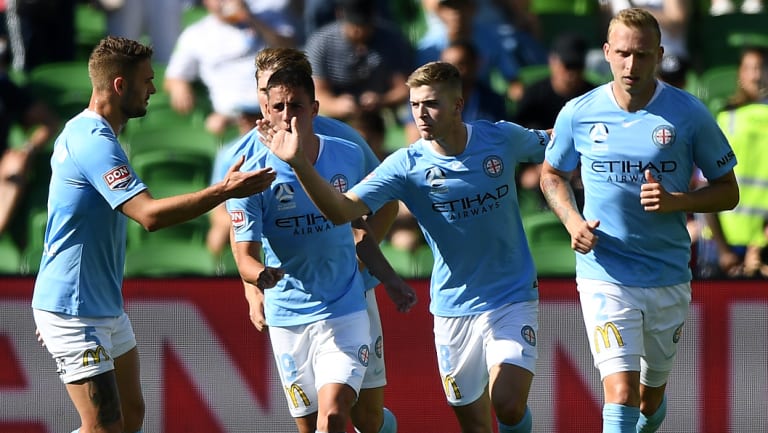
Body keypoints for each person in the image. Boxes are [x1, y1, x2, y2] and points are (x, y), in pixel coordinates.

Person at [263, 60, 550, 433]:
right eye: (414, 105)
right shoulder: (405, 165)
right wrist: (300, 164)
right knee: (476, 425)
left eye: (430, 104)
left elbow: (559, 140)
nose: (421, 114)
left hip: (511, 293)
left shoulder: (501, 138)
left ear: (457, 105)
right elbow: (340, 211)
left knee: (508, 405)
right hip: (453, 306)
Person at [30, 36, 276, 433]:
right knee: (104, 426)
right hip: (74, 308)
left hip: (99, 304)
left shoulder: (93, 134)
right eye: (147, 80)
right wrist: (223, 191)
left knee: (131, 416)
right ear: (119, 85)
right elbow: (148, 216)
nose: (155, 89)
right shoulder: (92, 142)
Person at [539, 8, 739, 433]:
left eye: (643, 55)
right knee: (622, 394)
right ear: (607, 53)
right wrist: (573, 222)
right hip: (605, 273)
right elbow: (551, 174)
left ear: (660, 55)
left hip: (666, 273)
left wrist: (677, 202)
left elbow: (729, 190)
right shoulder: (578, 112)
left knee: (649, 401)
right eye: (624, 54)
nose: (632, 65)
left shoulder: (688, 113)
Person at [228, 47, 416, 433]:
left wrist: (363, 263)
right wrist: (253, 287)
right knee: (313, 423)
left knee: (362, 416)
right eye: (268, 97)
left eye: (292, 102)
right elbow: (242, 235)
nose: (280, 111)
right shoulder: (247, 160)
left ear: (311, 105)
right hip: (291, 306)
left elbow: (383, 204)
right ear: (262, 101)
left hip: (350, 294)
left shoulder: (342, 142)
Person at [163, 0, 295, 136]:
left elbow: (290, 50)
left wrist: (251, 20)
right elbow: (174, 76)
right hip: (233, 116)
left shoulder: (268, 17)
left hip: (278, 106)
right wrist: (179, 86)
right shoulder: (196, 34)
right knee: (215, 125)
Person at [304, 0, 413, 123]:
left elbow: (404, 87)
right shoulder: (321, 43)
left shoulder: (392, 40)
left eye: (364, 25)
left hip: (381, 112)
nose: (359, 31)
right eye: (354, 24)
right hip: (336, 113)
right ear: (340, 16)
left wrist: (382, 100)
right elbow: (317, 92)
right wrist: (336, 105)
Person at [0, 36, 60, 237]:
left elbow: (49, 122)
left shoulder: (6, 89)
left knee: (15, 166)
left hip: (2, 166)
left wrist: (28, 148)